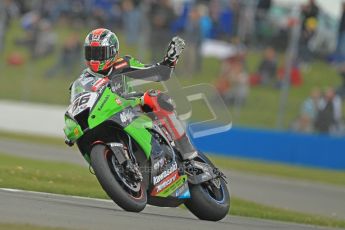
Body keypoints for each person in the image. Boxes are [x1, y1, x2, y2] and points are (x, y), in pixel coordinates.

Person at [69, 28, 197, 162]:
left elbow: (160, 73)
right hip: (105, 115)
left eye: (99, 52)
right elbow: (78, 103)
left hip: (130, 106)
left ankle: (186, 150)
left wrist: (171, 58)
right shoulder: (83, 78)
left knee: (156, 97)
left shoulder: (123, 64)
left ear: (112, 52)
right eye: (91, 52)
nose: (94, 58)